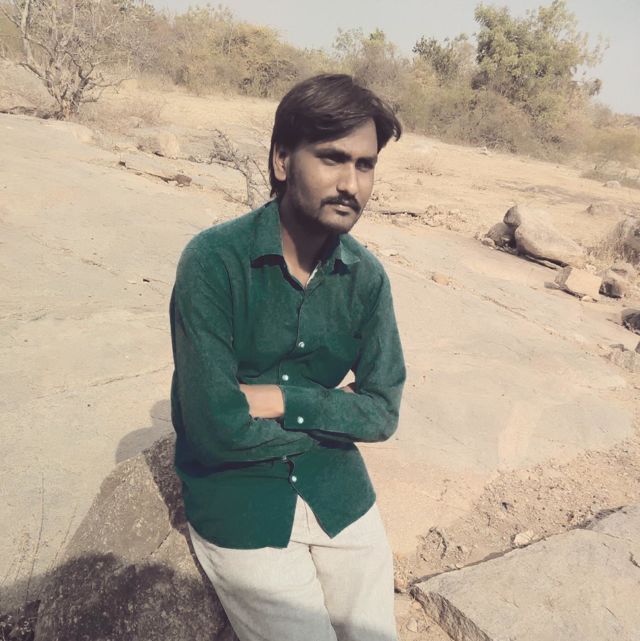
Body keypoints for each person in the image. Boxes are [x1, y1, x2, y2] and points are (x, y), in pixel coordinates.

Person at [169, 73, 406, 641]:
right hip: (242, 502)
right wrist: (332, 414)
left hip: (338, 494)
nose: (351, 183)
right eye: (331, 158)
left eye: (366, 165)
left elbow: (383, 412)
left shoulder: (366, 278)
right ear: (281, 160)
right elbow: (214, 428)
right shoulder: (214, 262)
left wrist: (281, 399)